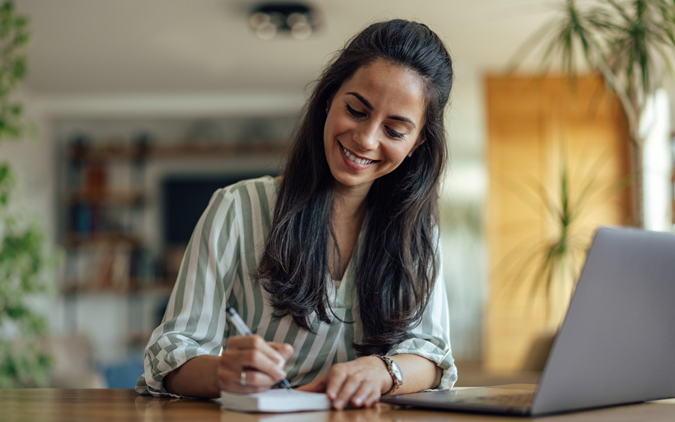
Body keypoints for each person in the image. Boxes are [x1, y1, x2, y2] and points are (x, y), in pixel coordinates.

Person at [137, 19, 456, 410]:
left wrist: (382, 371)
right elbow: (168, 354)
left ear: (417, 143)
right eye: (356, 110)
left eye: (394, 130)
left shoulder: (417, 233)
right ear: (329, 99)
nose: (367, 139)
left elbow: (434, 355)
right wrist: (223, 371)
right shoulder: (236, 208)